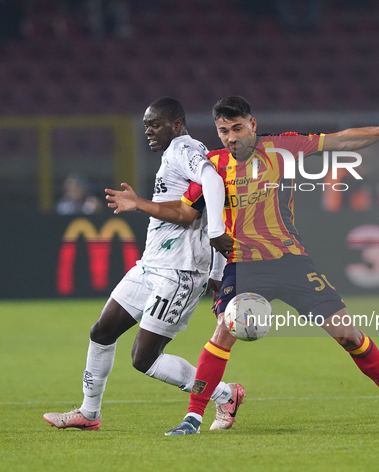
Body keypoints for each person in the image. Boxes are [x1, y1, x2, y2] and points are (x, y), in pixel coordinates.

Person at [160, 95, 379, 435]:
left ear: (253, 125)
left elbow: (342, 140)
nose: (232, 138)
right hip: (243, 265)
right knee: (224, 329)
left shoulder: (282, 150)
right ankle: (193, 418)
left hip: (290, 261)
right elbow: (184, 212)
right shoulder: (211, 166)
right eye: (223, 131)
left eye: (237, 128)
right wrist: (139, 203)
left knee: (349, 336)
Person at [43, 97, 243, 431]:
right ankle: (89, 414)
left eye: (155, 124)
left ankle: (224, 394)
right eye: (146, 125)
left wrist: (215, 236)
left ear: (176, 124)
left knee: (144, 359)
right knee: (101, 332)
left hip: (179, 272)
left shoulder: (184, 148)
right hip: (150, 265)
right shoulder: (174, 153)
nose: (148, 131)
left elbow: (212, 179)